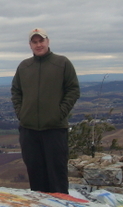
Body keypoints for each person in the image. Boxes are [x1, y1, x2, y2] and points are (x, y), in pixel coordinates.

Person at [11, 28, 80, 194]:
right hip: (29, 131)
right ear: (30, 45)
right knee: (36, 175)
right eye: (34, 42)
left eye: (41, 41)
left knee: (57, 175)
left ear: (47, 42)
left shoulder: (62, 63)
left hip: (54, 129)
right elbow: (16, 92)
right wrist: (22, 114)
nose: (38, 44)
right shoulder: (24, 66)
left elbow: (73, 90)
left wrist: (59, 113)